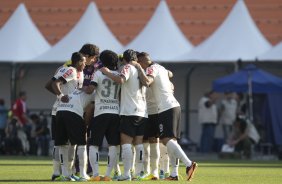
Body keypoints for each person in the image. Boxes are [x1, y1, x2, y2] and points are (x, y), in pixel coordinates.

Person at [136, 52, 197, 181]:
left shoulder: (151, 68)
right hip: (173, 105)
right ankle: (174, 174)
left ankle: (188, 163)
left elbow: (148, 81)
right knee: (172, 141)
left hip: (166, 108)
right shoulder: (161, 68)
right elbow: (170, 73)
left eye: (139, 63)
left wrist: (139, 70)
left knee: (165, 140)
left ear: (142, 61)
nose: (139, 65)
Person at [100, 49, 147, 181]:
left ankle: (126, 174)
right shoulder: (140, 69)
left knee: (125, 143)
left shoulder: (128, 67)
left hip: (129, 111)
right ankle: (138, 173)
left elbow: (121, 80)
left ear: (125, 59)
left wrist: (107, 73)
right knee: (138, 143)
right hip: (142, 111)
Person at [45, 52, 86, 181]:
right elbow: (54, 84)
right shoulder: (71, 70)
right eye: (84, 61)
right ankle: (60, 172)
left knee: (65, 143)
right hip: (63, 110)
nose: (85, 64)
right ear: (79, 61)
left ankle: (65, 172)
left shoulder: (68, 69)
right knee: (61, 143)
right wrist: (61, 96)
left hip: (64, 110)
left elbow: (48, 84)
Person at [85, 50, 121, 181]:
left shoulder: (99, 73)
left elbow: (90, 90)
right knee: (113, 145)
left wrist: (81, 87)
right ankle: (107, 175)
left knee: (94, 144)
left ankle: (95, 175)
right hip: (115, 113)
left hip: (101, 113)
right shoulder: (118, 75)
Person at [55, 89, 93, 181]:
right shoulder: (94, 92)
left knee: (62, 144)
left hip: (59, 111)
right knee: (82, 144)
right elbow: (89, 110)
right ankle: (83, 174)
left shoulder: (75, 89)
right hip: (74, 112)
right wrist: (86, 125)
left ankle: (65, 175)